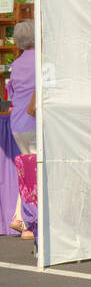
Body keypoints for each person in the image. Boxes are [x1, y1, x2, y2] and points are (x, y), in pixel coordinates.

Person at [7, 20, 35, 240]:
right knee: (35, 173)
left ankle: (19, 217)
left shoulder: (16, 64)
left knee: (27, 169)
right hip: (35, 122)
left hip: (17, 124)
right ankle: (27, 221)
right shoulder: (43, 61)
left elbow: (11, 95)